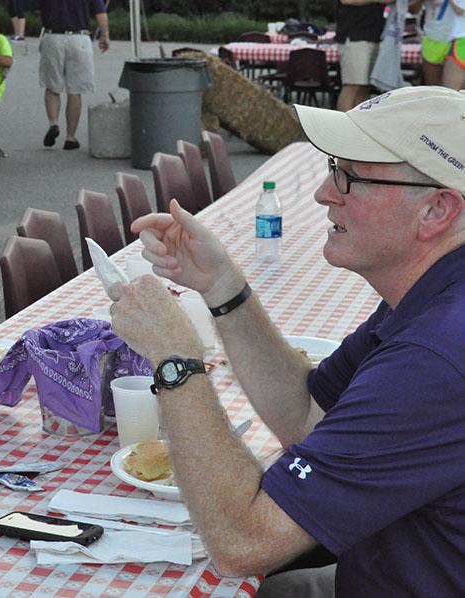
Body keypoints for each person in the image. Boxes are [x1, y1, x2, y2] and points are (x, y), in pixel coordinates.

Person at [109, 86, 465, 595]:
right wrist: (222, 286)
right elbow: (306, 414)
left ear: (437, 210)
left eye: (349, 175)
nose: (324, 192)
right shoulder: (433, 295)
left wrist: (175, 358)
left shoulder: (435, 356)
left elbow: (241, 543)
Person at [38, 0, 109, 151]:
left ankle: (53, 123)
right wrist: (105, 35)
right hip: (80, 38)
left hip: (53, 37)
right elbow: (100, 12)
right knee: (75, 91)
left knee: (52, 87)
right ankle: (71, 137)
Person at [335, 0, 392, 112]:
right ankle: (342, 125)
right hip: (353, 35)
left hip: (373, 35)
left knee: (364, 87)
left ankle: (357, 125)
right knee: (352, 86)